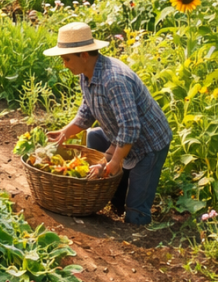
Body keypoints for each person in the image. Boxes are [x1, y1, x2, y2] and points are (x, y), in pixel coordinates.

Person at [44, 21, 172, 225]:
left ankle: (131, 202)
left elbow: (131, 127)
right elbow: (87, 111)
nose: (64, 64)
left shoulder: (114, 80)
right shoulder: (86, 74)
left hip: (149, 143)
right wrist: (64, 133)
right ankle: (117, 192)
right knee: (94, 136)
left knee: (135, 215)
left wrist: (113, 161)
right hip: (122, 136)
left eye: (67, 59)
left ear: (84, 55)